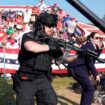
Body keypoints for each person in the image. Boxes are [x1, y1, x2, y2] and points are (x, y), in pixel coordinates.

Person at [12, 12, 78, 105]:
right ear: (40, 25)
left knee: (50, 101)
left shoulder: (52, 41)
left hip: (43, 77)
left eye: (53, 26)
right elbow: (31, 47)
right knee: (25, 102)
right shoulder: (29, 36)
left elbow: (63, 59)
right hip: (27, 77)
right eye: (49, 26)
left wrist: (79, 56)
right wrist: (50, 47)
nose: (51, 28)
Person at [68, 32, 102, 105]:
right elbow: (90, 61)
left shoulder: (92, 46)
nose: (99, 39)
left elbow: (94, 57)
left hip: (79, 68)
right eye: (96, 38)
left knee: (87, 88)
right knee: (90, 89)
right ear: (91, 38)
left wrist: (99, 49)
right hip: (77, 68)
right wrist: (96, 74)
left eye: (100, 38)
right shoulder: (89, 46)